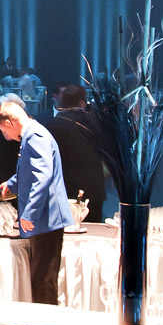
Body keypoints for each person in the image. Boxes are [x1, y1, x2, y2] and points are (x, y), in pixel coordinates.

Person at [0, 95, 78, 303]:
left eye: (4, 131)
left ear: (10, 122)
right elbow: (32, 170)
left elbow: (43, 176)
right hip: (44, 219)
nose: (6, 136)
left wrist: (29, 214)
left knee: (43, 280)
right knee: (41, 278)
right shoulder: (33, 134)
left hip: (46, 219)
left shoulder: (35, 136)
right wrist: (12, 183)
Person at [41, 84, 111, 222]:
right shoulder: (99, 123)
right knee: (93, 233)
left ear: (62, 101)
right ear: (82, 101)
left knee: (64, 236)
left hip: (62, 189)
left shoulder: (51, 126)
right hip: (94, 187)